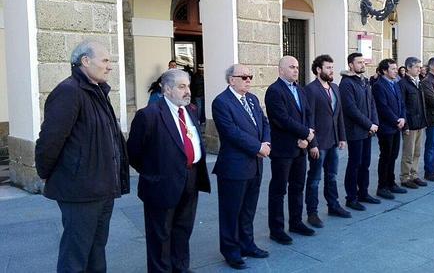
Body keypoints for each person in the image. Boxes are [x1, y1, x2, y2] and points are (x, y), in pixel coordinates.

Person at [35, 40, 130, 273]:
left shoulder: (97, 91)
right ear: (85, 61)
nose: (110, 66)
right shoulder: (68, 91)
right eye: (105, 60)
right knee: (75, 255)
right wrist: (46, 173)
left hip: (102, 188)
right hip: (80, 191)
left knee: (96, 251)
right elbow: (50, 140)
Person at [127, 68, 211, 273]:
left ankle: (180, 267)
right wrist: (154, 174)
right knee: (160, 235)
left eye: (188, 86)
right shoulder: (149, 115)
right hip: (162, 183)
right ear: (166, 89)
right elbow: (133, 153)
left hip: (191, 178)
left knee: (183, 228)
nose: (187, 91)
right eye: (182, 86)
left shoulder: (190, 110)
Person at [211, 64, 271, 269]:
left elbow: (264, 123)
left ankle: (247, 244)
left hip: (255, 164)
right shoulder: (221, 102)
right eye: (243, 76)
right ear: (231, 80)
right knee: (231, 211)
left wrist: (266, 143)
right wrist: (257, 147)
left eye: (250, 76)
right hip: (234, 166)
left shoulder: (252, 99)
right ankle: (230, 250)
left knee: (248, 209)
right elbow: (231, 132)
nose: (248, 80)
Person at [265, 56, 316, 245]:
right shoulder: (274, 91)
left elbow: (308, 114)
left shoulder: (300, 90)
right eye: (292, 67)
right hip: (283, 149)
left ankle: (296, 222)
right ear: (281, 70)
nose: (296, 70)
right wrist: (304, 134)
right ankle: (276, 229)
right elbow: (281, 119)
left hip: (300, 148)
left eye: (297, 67)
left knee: (297, 187)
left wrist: (307, 137)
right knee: (278, 190)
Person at [304, 55, 351, 229]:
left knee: (332, 176)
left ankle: (334, 205)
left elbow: (338, 115)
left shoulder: (335, 88)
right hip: (319, 143)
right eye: (328, 67)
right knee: (315, 178)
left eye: (332, 67)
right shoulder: (310, 90)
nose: (332, 70)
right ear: (318, 69)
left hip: (333, 141)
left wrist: (342, 137)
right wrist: (312, 143)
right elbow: (309, 119)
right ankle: (312, 212)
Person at [340, 53, 380, 211]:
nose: (363, 65)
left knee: (366, 163)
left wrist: (375, 122)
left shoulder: (364, 81)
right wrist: (369, 124)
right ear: (350, 65)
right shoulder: (346, 83)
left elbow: (371, 103)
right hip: (355, 131)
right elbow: (351, 109)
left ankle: (363, 192)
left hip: (368, 130)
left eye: (364, 62)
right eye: (359, 62)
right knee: (354, 164)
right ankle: (351, 197)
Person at [372, 58, 407, 199]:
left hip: (397, 126)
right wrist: (395, 120)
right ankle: (382, 186)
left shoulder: (396, 83)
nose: (395, 71)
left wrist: (403, 118)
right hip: (386, 127)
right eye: (392, 69)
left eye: (396, 68)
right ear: (384, 71)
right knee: (385, 156)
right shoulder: (378, 86)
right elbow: (382, 107)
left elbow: (402, 103)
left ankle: (391, 182)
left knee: (393, 156)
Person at [398, 57, 428, 189]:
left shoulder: (419, 82)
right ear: (408, 68)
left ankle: (414, 175)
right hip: (410, 123)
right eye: (416, 67)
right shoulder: (403, 83)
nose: (419, 69)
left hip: (420, 122)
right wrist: (406, 126)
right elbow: (402, 105)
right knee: (408, 152)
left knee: (417, 152)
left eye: (420, 67)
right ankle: (405, 177)